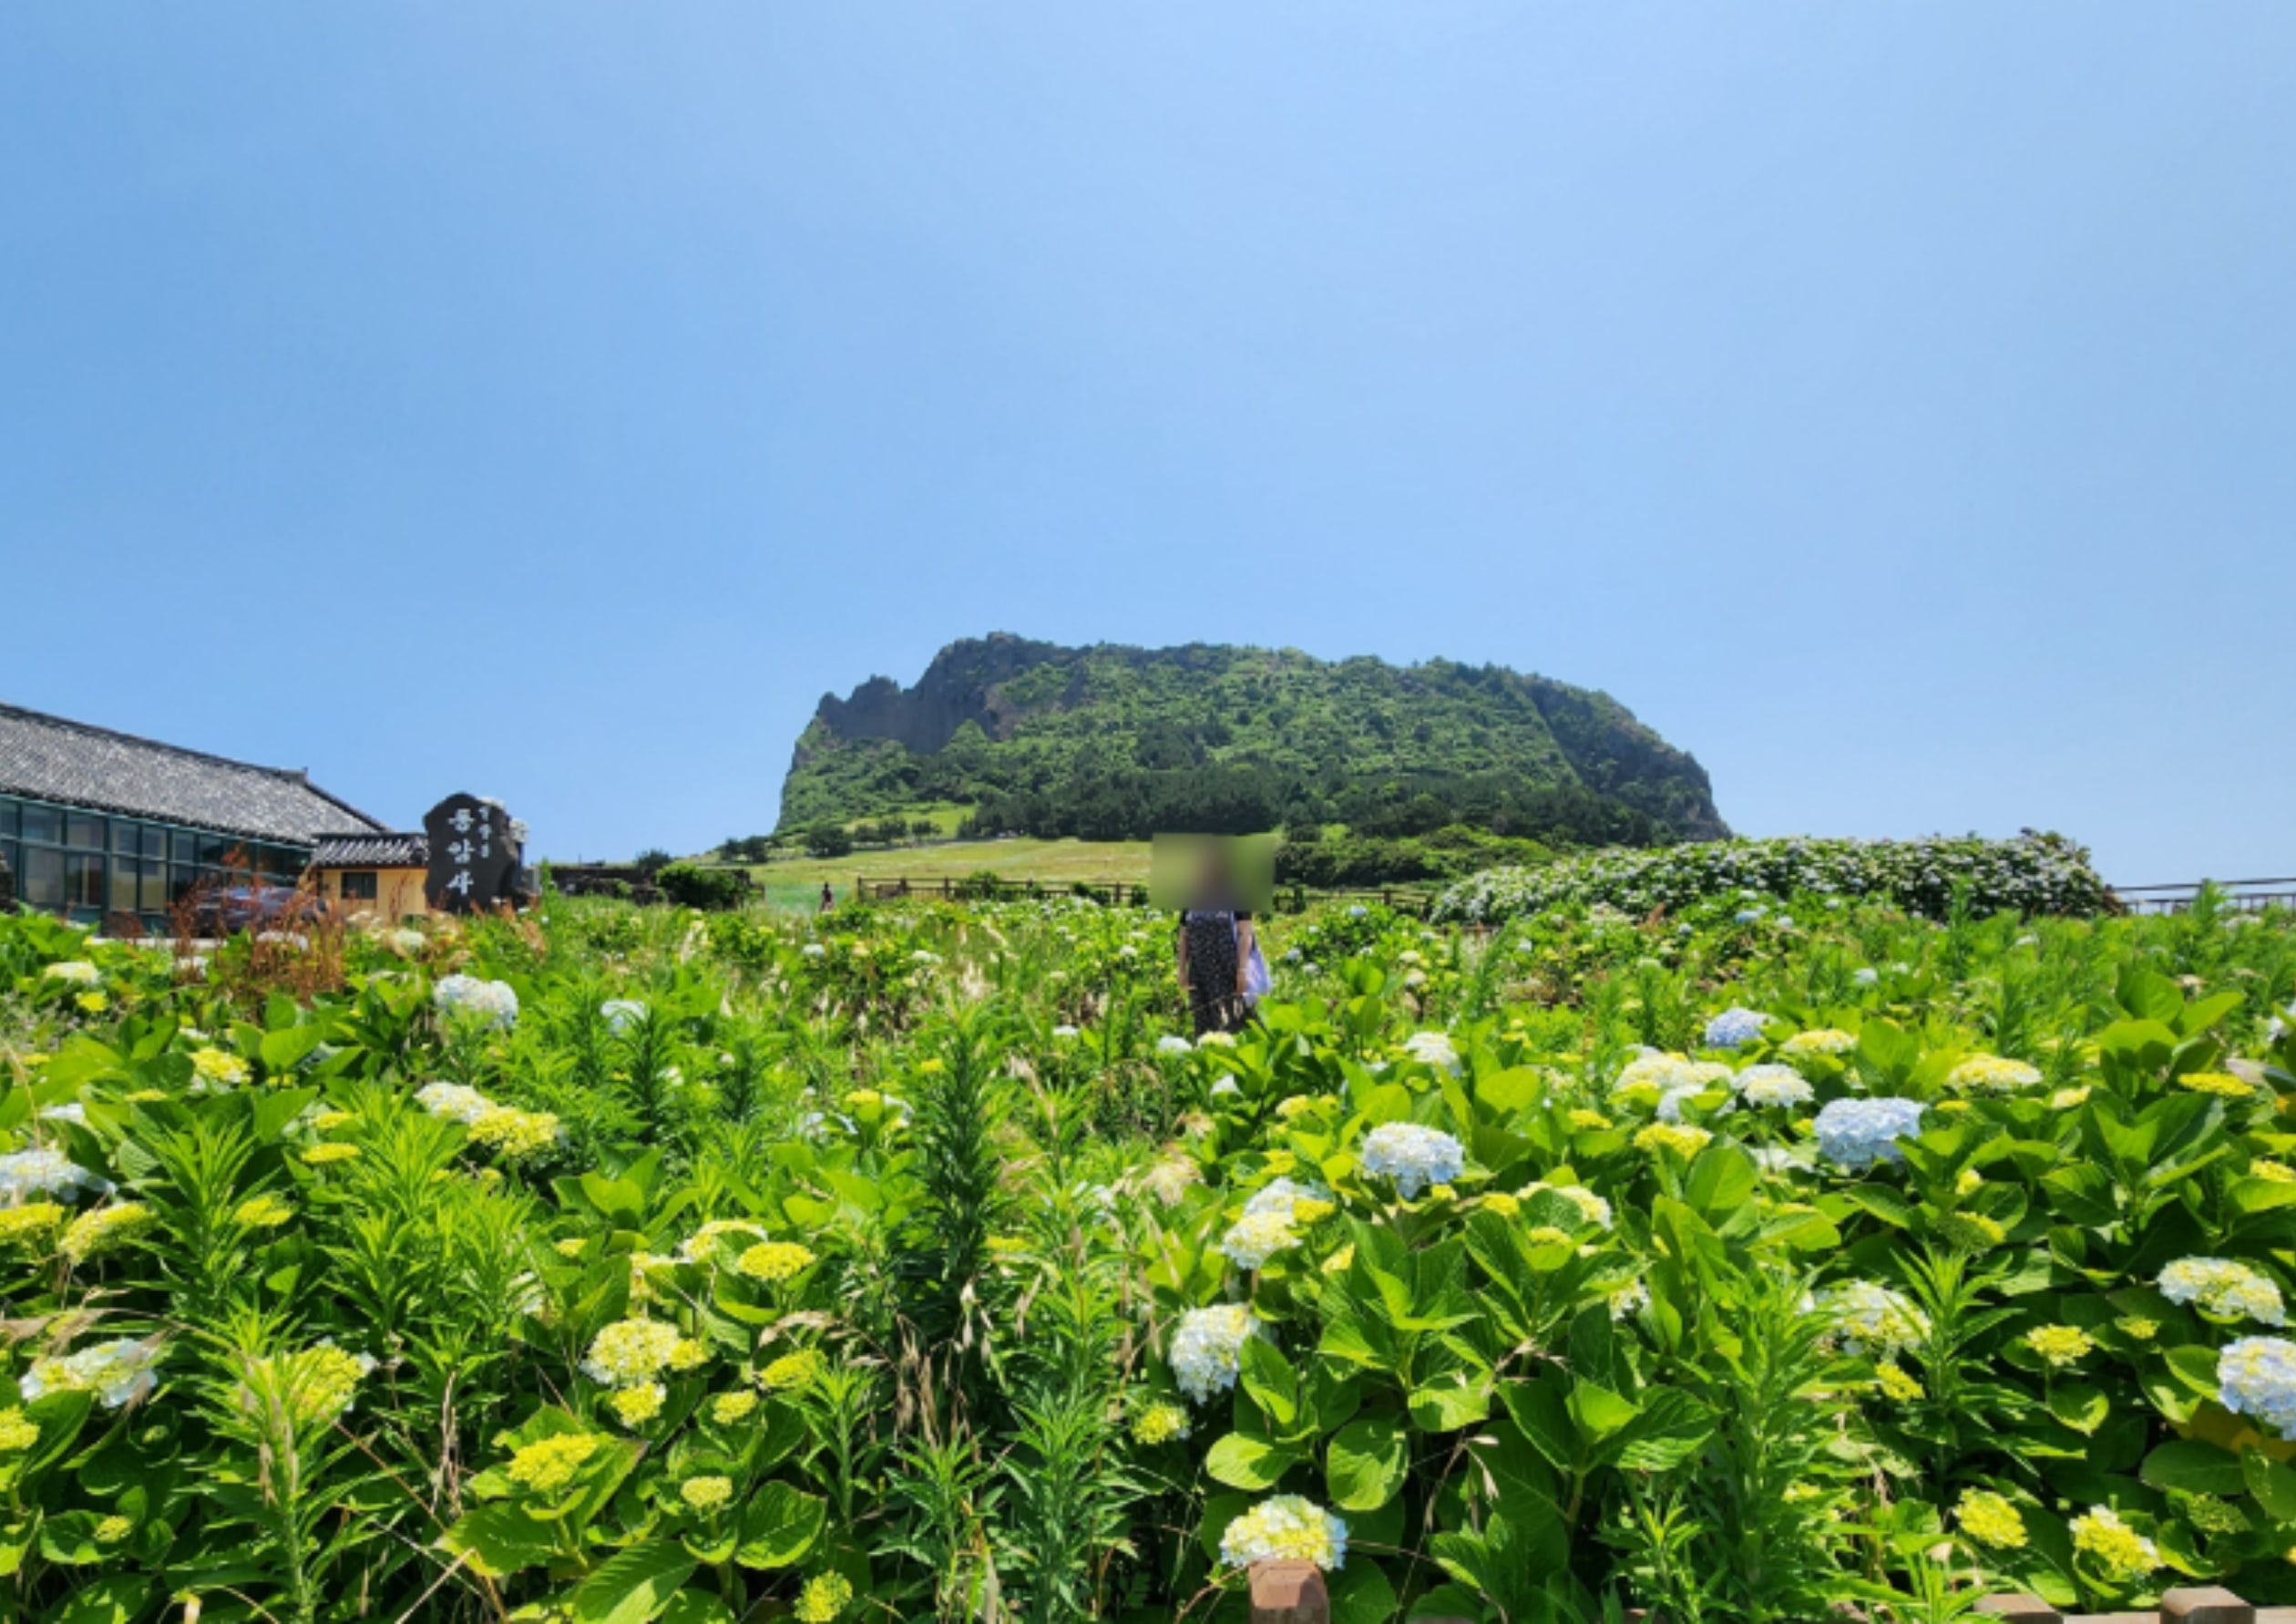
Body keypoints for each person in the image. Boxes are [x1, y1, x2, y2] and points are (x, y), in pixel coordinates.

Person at [1175, 848, 1256, 1038]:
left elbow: (1246, 934)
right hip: (1200, 971)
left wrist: (1242, 971)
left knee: (1231, 1020)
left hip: (1228, 968)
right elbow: (1184, 937)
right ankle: (1206, 1062)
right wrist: (1181, 970)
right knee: (1202, 1021)